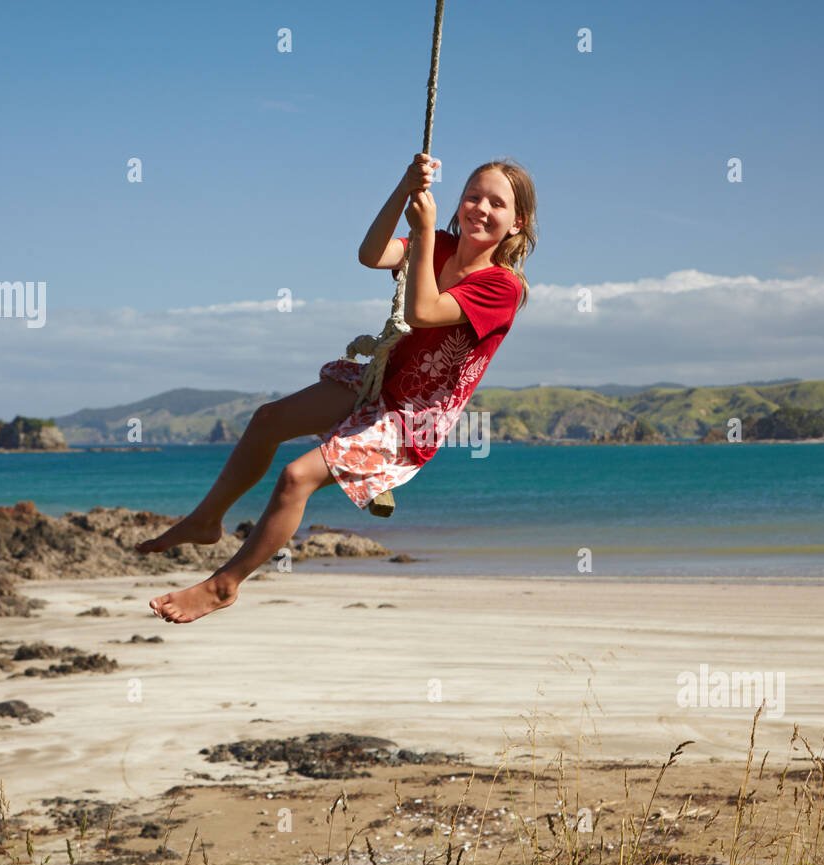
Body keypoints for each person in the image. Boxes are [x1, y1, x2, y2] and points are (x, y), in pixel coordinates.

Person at [137, 153, 537, 622]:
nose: (481, 208)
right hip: (380, 382)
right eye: (473, 196)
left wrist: (425, 232)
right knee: (267, 420)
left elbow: (422, 312)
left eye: (497, 203)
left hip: (408, 421)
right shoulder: (442, 244)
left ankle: (225, 584)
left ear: (516, 223)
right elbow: (371, 254)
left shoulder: (501, 288)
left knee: (295, 478)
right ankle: (206, 520)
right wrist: (403, 189)